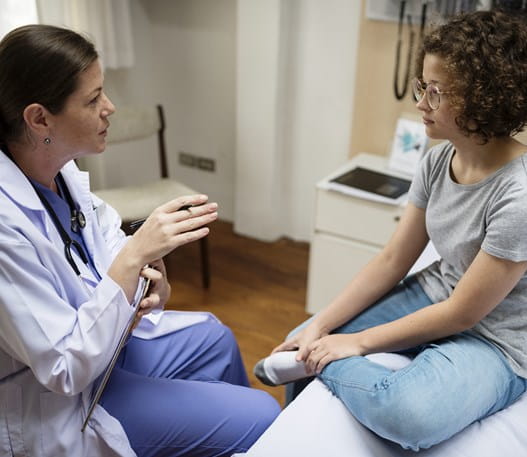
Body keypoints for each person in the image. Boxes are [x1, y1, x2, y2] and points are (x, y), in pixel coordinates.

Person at [0, 24, 280, 457]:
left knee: (216, 338)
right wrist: (136, 257)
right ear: (40, 119)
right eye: (93, 100)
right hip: (66, 400)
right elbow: (63, 368)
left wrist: (151, 280)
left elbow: (109, 241)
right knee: (261, 413)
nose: (109, 108)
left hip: (106, 354)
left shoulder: (60, 173)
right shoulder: (4, 226)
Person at [255, 9, 527, 452]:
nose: (421, 103)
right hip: (440, 293)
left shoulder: (519, 195)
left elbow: (464, 314)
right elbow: (392, 259)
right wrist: (323, 325)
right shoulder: (438, 161)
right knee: (305, 337)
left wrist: (354, 343)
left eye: (435, 92)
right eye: (422, 86)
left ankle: (320, 365)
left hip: (497, 340)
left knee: (408, 413)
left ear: (484, 98)